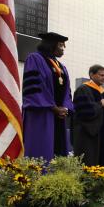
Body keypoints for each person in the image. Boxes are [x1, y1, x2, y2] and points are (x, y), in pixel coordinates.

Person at [22, 32, 73, 162]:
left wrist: (66, 108)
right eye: (61, 45)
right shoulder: (35, 59)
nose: (63, 49)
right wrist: (53, 107)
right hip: (41, 114)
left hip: (58, 116)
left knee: (58, 151)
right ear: (51, 45)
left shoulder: (62, 67)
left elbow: (67, 91)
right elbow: (34, 87)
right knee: (41, 150)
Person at [72, 64, 104, 167]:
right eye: (101, 75)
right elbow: (83, 111)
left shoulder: (103, 92)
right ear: (91, 75)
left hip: (102, 132)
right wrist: (100, 104)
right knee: (88, 160)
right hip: (87, 133)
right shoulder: (83, 89)